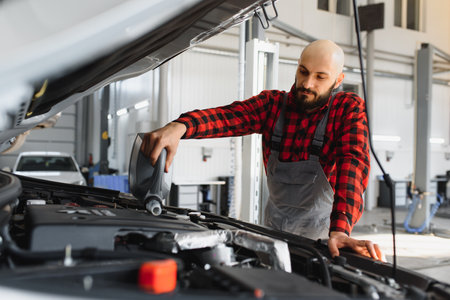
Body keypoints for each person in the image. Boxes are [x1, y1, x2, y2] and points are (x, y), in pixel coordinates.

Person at [141, 39, 384, 261]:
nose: (307, 84)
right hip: (273, 230)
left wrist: (340, 229)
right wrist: (181, 126)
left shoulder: (347, 108)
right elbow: (228, 117)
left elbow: (353, 162)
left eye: (320, 77)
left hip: (324, 237)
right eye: (303, 72)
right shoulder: (273, 105)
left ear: (337, 80)